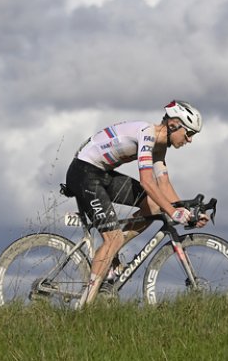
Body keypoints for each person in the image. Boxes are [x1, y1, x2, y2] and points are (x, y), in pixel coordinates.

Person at [64, 100, 208, 307]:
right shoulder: (147, 134)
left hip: (101, 173)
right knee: (112, 239)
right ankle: (84, 306)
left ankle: (112, 252)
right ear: (174, 124)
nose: (190, 140)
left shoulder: (159, 147)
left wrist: (186, 211)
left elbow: (164, 184)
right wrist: (174, 213)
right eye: (189, 133)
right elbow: (147, 182)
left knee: (154, 205)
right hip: (83, 173)